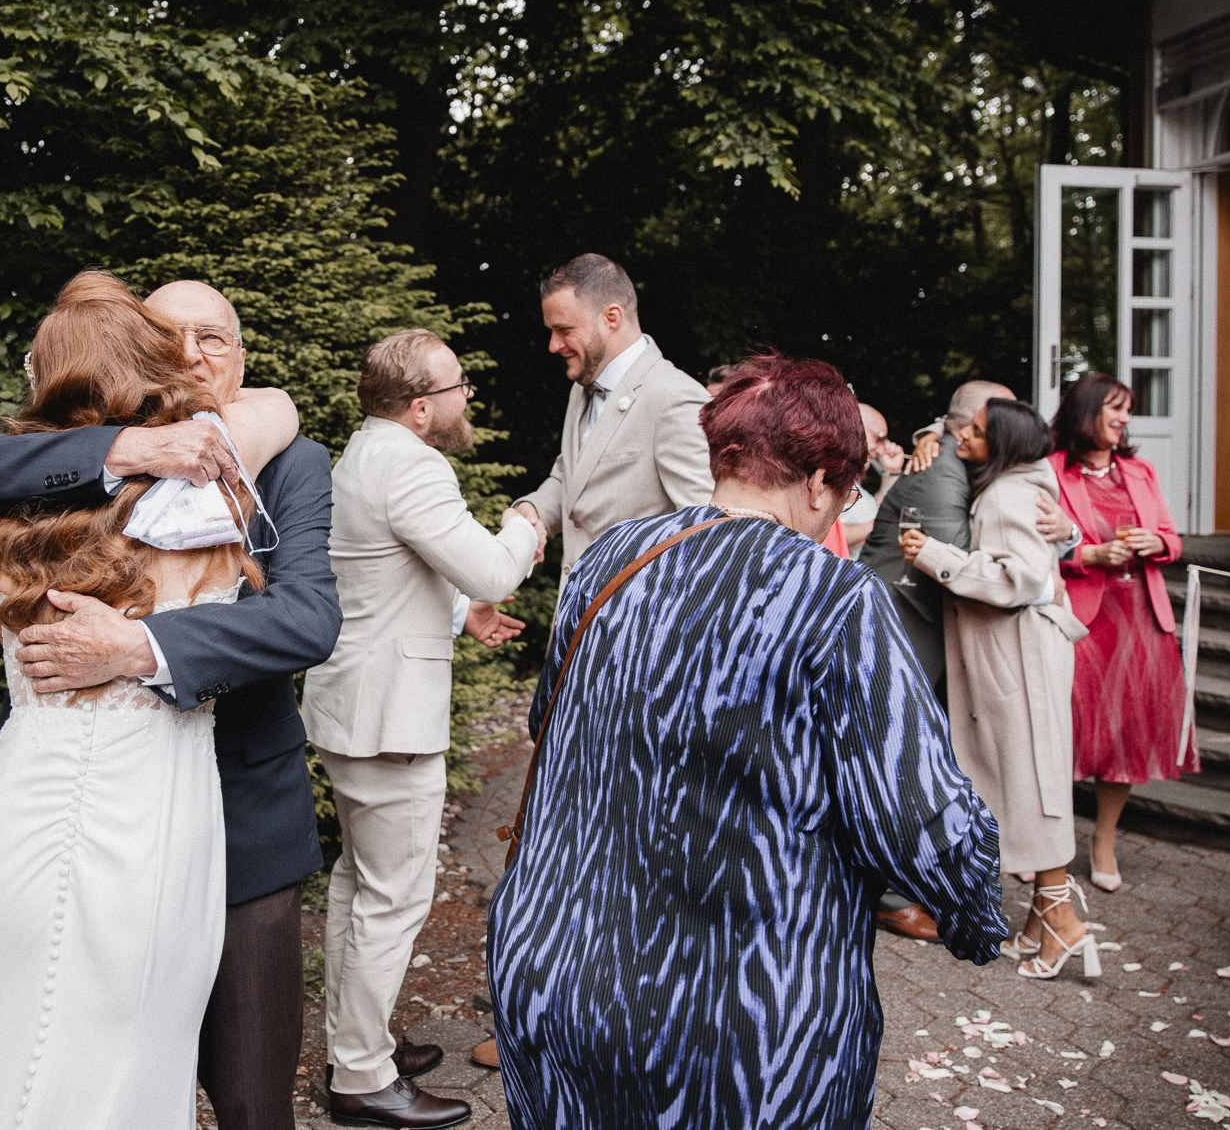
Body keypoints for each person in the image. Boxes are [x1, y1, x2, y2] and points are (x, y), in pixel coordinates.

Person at [488, 354, 1006, 1130]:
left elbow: (551, 723)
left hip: (558, 979)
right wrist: (978, 916)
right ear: (821, 480)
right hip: (739, 1024)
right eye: (847, 492)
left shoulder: (610, 559)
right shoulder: (836, 600)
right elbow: (918, 819)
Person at [0, 278, 341, 1130]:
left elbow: (308, 617)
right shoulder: (62, 464)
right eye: (170, 337)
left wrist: (140, 649)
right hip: (85, 813)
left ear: (242, 355)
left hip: (242, 816)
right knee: (76, 1055)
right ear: (141, 356)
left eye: (212, 339)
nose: (192, 355)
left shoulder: (290, 459)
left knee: (252, 1098)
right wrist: (133, 448)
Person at [303, 331, 543, 1128]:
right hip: (388, 717)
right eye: (456, 385)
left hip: (352, 705)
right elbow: (496, 567)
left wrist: (456, 613)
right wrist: (528, 520)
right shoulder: (413, 463)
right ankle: (362, 1076)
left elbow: (379, 572)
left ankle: (355, 1045)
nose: (464, 395)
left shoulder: (362, 455)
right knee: (396, 897)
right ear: (419, 406)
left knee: (357, 885)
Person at [901, 399, 1093, 979]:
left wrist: (933, 555)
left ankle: (1065, 922)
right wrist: (928, 432)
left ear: (1003, 444)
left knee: (1030, 778)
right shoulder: (1016, 483)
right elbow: (952, 424)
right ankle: (1040, 918)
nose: (966, 437)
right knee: (1025, 773)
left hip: (1021, 655)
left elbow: (1022, 578)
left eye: (979, 434)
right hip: (1016, 652)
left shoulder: (1008, 496)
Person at [1049, 372, 1191, 893]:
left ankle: (1104, 838)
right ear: (1086, 412)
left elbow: (1173, 538)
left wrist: (1158, 543)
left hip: (1141, 618)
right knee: (1068, 729)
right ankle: (1049, 843)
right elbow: (1034, 545)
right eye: (1115, 408)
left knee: (1127, 732)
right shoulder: (1050, 472)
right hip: (1084, 619)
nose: (1124, 419)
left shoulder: (1140, 470)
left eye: (1126, 411)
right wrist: (1089, 555)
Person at [512, 253, 713, 574]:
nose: (553, 345)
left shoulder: (675, 397)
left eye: (564, 329)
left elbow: (706, 530)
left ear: (612, 317)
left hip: (638, 618)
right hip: (576, 614)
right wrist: (533, 509)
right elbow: (572, 476)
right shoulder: (581, 387)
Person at [840, 401, 906, 556]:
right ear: (857, 427)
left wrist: (892, 472)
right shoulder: (829, 478)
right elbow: (826, 536)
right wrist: (882, 524)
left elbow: (874, 512)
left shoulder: (854, 483)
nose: (882, 449)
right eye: (880, 438)